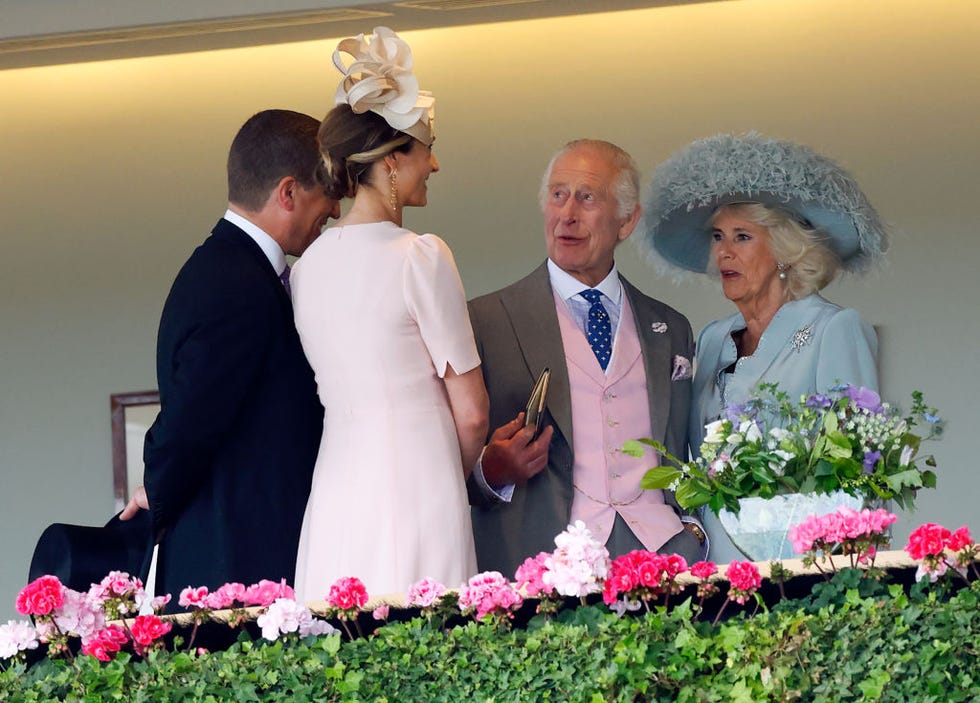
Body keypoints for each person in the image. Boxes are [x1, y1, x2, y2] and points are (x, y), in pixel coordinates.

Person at [292, 27, 489, 599]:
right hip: (419, 482)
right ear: (393, 158)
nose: (434, 164)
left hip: (336, 487)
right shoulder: (420, 257)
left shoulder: (306, 268)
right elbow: (472, 413)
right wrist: (459, 480)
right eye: (425, 148)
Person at [120, 109, 338, 607]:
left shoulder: (231, 270)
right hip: (234, 574)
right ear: (288, 193)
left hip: (243, 558)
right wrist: (157, 489)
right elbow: (190, 421)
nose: (335, 210)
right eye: (327, 193)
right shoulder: (236, 284)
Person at [641, 132, 887, 561]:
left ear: (785, 252)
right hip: (711, 567)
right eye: (718, 237)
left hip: (797, 565)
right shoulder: (714, 338)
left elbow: (860, 472)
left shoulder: (834, 329)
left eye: (742, 237)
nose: (724, 253)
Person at [468, 139, 706, 579]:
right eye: (558, 195)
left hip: (662, 561)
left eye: (587, 197)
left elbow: (690, 452)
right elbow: (447, 466)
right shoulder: (484, 320)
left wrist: (690, 531)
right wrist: (489, 471)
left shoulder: (671, 327)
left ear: (627, 220)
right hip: (543, 564)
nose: (568, 214)